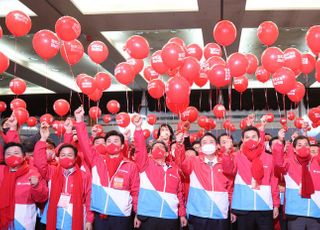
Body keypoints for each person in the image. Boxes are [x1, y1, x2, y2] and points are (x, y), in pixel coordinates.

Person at [74, 106, 140, 230]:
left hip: (122, 217)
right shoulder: (96, 160)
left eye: (116, 141)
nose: (112, 143)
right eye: (108, 141)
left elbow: (135, 192)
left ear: (122, 146)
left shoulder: (130, 166)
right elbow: (85, 143)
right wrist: (79, 120)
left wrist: (137, 213)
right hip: (100, 215)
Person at [34, 122, 94, 230]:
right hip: (55, 216)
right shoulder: (52, 172)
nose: (66, 157)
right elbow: (39, 163)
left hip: (75, 217)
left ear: (76, 158)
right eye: (63, 155)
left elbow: (89, 198)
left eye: (69, 155)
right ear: (58, 158)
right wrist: (43, 139)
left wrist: (89, 219)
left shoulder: (84, 176)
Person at [132, 114, 187, 230]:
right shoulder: (145, 166)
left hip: (170, 216)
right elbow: (140, 148)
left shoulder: (174, 169)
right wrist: (138, 128)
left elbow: (179, 194)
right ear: (150, 153)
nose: (158, 149)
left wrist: (182, 214)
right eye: (155, 147)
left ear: (167, 153)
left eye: (162, 148)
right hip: (148, 216)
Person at [227, 125, 280, 230]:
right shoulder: (235, 157)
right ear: (242, 140)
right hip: (243, 208)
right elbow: (229, 182)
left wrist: (276, 205)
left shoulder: (269, 158)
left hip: (265, 207)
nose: (250, 139)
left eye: (253, 137)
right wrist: (231, 208)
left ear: (259, 139)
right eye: (247, 137)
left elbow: (274, 183)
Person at [181, 132, 233, 230]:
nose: (208, 144)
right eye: (204, 142)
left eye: (211, 142)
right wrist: (180, 146)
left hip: (220, 212)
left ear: (217, 146)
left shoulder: (224, 162)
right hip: (198, 213)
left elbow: (230, 185)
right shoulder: (193, 161)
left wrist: (226, 152)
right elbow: (181, 166)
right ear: (200, 148)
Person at [273, 135, 320, 229]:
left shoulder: (317, 162)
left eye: (306, 144)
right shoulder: (289, 162)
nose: (303, 147)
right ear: (294, 149)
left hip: (316, 212)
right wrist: (280, 141)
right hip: (295, 213)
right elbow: (278, 163)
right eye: (299, 145)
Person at [0, 142, 48, 229]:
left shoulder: (33, 173)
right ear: (4, 157)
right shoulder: (1, 172)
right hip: (3, 220)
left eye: (16, 153)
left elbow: (42, 198)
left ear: (24, 156)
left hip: (24, 221)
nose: (12, 156)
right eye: (8, 154)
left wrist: (36, 186)